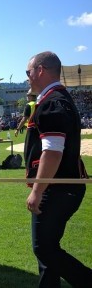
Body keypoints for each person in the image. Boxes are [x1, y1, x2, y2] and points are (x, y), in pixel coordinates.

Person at [24, 51, 91, 287]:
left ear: (40, 70)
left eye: (28, 72)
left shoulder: (53, 103)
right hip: (61, 186)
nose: (28, 77)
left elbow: (52, 153)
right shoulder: (54, 99)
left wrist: (38, 191)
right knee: (47, 249)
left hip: (58, 189)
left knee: (44, 248)